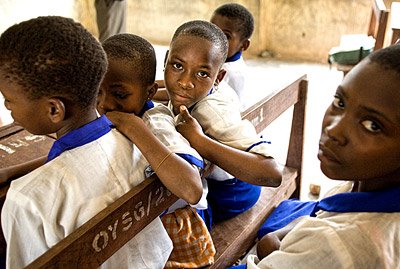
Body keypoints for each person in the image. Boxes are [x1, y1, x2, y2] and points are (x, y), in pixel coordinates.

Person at [0, 16, 173, 268]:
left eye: (8, 100)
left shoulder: (27, 199)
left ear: (54, 111)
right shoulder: (138, 144)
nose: (7, 107)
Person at [236, 44, 400, 269]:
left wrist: (267, 248)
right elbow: (324, 211)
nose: (334, 130)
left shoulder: (339, 244)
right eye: (340, 103)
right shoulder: (365, 183)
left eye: (372, 125)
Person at [96, 33, 215, 268]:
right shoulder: (116, 113)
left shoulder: (156, 124)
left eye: (120, 95)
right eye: (98, 92)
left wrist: (136, 130)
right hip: (144, 221)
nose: (106, 104)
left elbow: (192, 190)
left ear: (150, 92)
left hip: (177, 234)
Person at [164, 20, 283, 226]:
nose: (185, 82)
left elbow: (273, 173)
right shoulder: (198, 91)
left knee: (176, 216)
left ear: (218, 77)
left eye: (202, 73)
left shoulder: (211, 111)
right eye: (177, 66)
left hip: (235, 190)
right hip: (232, 180)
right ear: (165, 61)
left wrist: (198, 140)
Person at [210, 3, 254, 110]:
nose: (215, 38)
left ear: (244, 45)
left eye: (226, 36)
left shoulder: (228, 73)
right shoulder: (231, 63)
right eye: (211, 30)